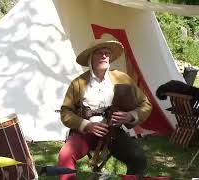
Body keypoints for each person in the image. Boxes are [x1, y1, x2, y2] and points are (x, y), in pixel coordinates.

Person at [58, 39, 152, 180]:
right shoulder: (78, 83)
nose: (104, 56)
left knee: (138, 158)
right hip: (86, 133)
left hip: (113, 133)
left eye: (107, 54)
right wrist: (87, 125)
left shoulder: (122, 78)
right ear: (91, 58)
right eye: (100, 53)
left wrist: (130, 115)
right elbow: (65, 112)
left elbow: (146, 105)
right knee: (65, 155)